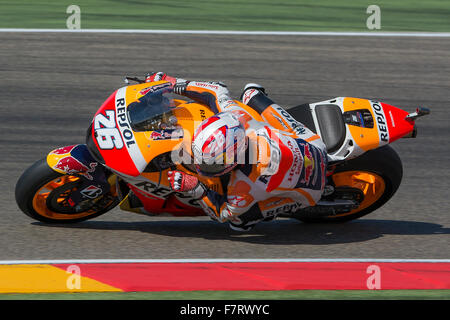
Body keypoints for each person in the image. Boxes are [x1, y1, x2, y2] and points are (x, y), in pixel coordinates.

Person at [146, 72, 327, 231]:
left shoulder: (243, 187)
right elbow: (216, 90)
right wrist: (171, 84)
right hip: (309, 142)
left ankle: (280, 208)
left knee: (238, 222)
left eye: (212, 164)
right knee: (251, 94)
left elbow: (222, 213)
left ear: (234, 158)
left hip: (311, 191)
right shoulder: (241, 119)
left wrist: (195, 187)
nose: (200, 166)